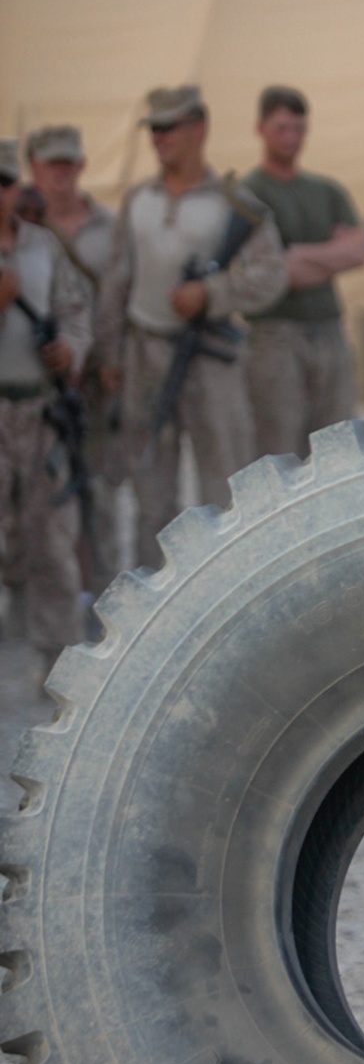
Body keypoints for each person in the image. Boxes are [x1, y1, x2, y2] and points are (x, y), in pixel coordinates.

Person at [96, 85, 286, 570]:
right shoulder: (138, 198)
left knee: (224, 481)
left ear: (197, 128)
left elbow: (270, 275)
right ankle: (148, 589)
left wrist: (213, 294)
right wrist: (110, 356)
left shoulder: (233, 204)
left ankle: (225, 583)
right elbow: (118, 279)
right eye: (153, 128)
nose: (158, 137)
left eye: (168, 127)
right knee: (149, 487)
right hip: (145, 353)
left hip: (209, 355)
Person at [0, 138, 92, 678]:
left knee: (53, 538)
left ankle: (57, 665)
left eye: (5, 183)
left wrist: (71, 349)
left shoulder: (42, 247)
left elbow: (75, 311)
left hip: (39, 413)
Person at [243, 86, 364, 457]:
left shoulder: (325, 191)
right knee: (280, 446)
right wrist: (331, 256)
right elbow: (278, 274)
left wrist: (301, 254)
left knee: (339, 442)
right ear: (260, 129)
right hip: (274, 334)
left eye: (298, 128)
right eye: (281, 128)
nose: (291, 138)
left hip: (329, 328)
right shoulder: (250, 194)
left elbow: (359, 250)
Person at [26, 124, 121, 604]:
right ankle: (44, 595)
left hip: (94, 381)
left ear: (82, 165)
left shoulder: (109, 226)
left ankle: (103, 592)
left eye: (69, 162)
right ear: (33, 168)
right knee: (39, 494)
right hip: (35, 383)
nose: (61, 172)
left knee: (97, 488)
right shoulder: (20, 231)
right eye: (51, 163)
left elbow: (119, 299)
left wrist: (110, 360)